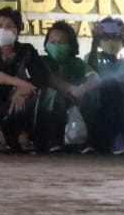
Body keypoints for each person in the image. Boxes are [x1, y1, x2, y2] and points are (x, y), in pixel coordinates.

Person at [0, 7, 49, 152]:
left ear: (18, 30)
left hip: (17, 104)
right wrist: (20, 84)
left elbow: (42, 75)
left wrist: (22, 92)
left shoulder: (26, 50)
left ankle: (25, 133)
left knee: (36, 91)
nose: (3, 30)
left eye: (9, 26)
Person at [83, 17, 124, 154]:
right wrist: (95, 41)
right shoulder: (93, 57)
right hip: (102, 108)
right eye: (106, 37)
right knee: (111, 85)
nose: (110, 41)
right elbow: (91, 70)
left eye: (115, 37)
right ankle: (119, 138)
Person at [40, 20, 99, 152]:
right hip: (48, 106)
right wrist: (70, 89)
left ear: (71, 45)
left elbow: (94, 77)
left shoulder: (77, 63)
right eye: (52, 42)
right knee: (57, 95)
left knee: (91, 96)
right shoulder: (41, 61)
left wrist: (83, 89)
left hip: (76, 103)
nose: (56, 46)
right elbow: (47, 79)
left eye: (61, 43)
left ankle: (82, 141)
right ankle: (53, 140)